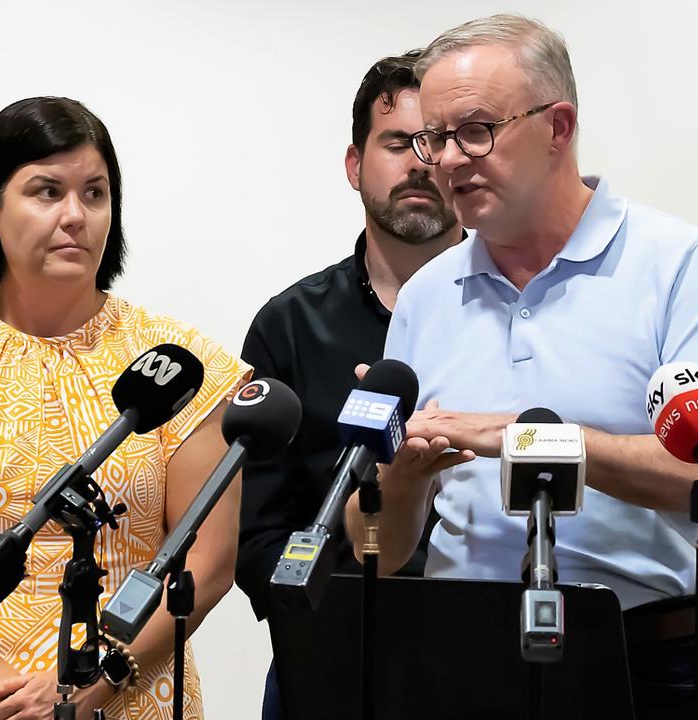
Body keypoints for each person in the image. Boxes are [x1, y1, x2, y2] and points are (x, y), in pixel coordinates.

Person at [344, 15, 698, 719]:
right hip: (460, 657)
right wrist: (404, 482)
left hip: (644, 662)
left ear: (558, 127)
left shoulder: (679, 266)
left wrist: (529, 438)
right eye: (433, 137)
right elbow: (375, 556)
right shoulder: (425, 297)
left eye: (474, 130)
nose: (446, 160)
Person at [0, 97, 250, 720]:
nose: (75, 216)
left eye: (94, 193)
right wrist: (9, 693)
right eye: (46, 191)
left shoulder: (181, 363)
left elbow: (209, 559)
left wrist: (95, 681)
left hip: (130, 692)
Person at [235, 50, 462, 719]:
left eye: (438, 142)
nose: (420, 162)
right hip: (329, 662)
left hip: (486, 654)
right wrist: (331, 611)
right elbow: (257, 536)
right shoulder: (289, 326)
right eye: (398, 143)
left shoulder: (519, 315)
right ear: (355, 165)